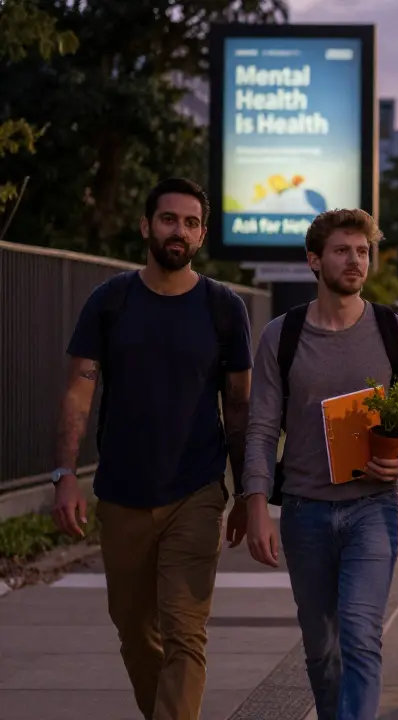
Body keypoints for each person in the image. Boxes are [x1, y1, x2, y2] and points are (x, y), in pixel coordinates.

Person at [51, 178, 253, 720]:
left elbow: (239, 406)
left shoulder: (224, 307)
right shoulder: (110, 301)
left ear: (202, 234)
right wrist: (65, 474)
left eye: (190, 223)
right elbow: (79, 388)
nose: (178, 231)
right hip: (122, 493)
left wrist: (247, 491)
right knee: (136, 635)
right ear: (146, 226)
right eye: (168, 219)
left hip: (197, 490)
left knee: (186, 633)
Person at [242, 209, 398, 720]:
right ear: (314, 260)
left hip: (372, 509)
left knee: (360, 636)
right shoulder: (281, 336)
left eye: (363, 252)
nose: (355, 261)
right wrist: (256, 504)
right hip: (304, 511)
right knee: (322, 649)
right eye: (343, 251)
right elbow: (261, 428)